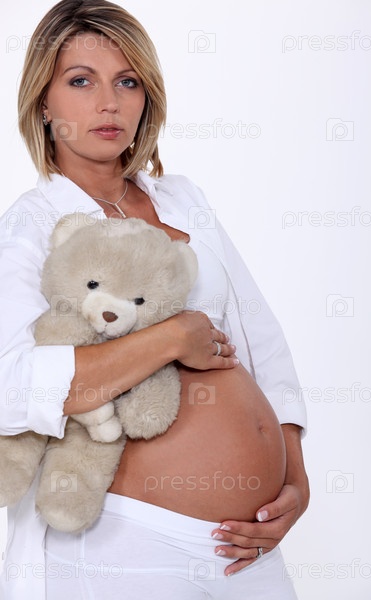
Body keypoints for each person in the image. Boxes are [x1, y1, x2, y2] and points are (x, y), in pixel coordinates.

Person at [0, 0, 309, 598]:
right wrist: (168, 339)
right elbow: (10, 388)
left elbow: (260, 338)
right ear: (43, 102)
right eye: (81, 81)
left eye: (128, 81)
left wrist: (294, 479)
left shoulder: (184, 199)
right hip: (127, 544)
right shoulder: (30, 227)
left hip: (247, 546)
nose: (108, 103)